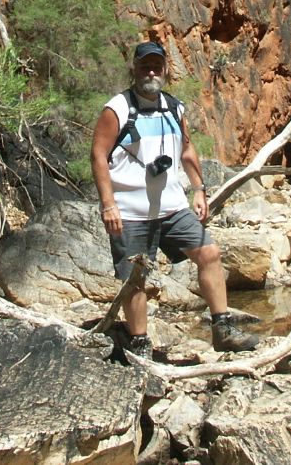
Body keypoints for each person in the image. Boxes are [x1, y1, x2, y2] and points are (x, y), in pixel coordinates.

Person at [90, 40, 259, 357]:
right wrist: (108, 203)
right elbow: (98, 156)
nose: (150, 71)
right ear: (135, 69)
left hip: (171, 207)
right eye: (144, 66)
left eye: (156, 66)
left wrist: (198, 188)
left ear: (166, 69)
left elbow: (187, 149)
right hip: (130, 212)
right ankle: (139, 344)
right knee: (135, 279)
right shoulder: (118, 109)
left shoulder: (173, 107)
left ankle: (221, 328)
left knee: (209, 253)